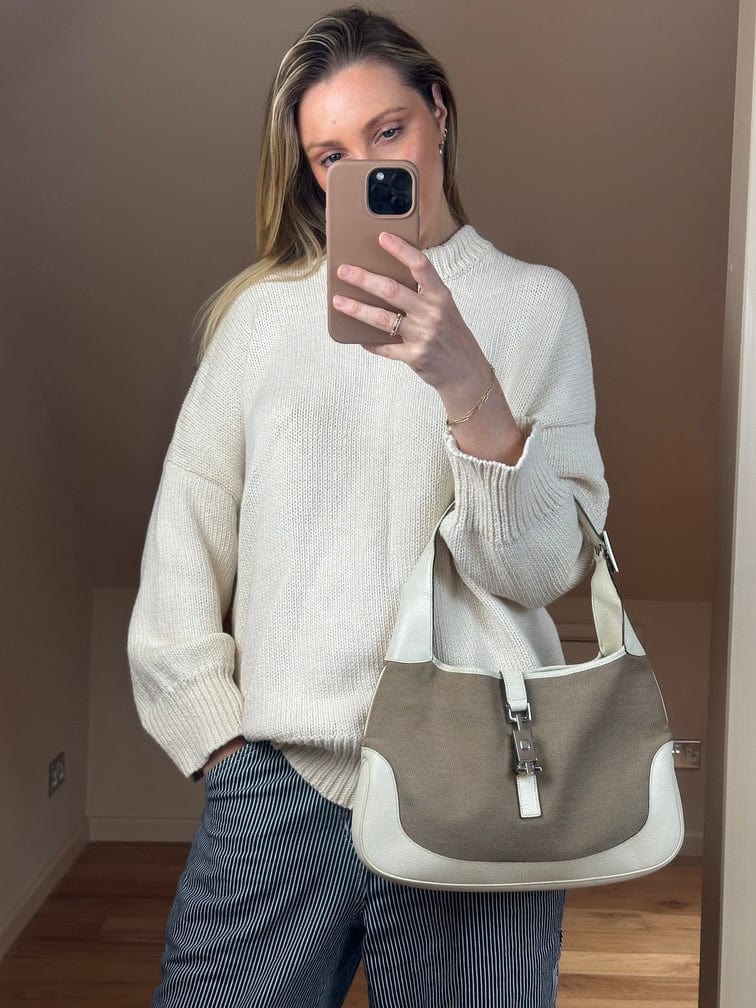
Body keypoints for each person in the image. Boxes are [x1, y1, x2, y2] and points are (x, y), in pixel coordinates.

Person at [128, 6, 609, 1007]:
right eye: (331, 155)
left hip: (479, 789)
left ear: (439, 114)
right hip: (278, 782)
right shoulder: (261, 321)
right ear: (310, 173)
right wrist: (219, 741)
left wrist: (469, 386)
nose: (367, 169)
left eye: (388, 131)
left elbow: (537, 572)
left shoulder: (535, 306)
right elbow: (186, 536)